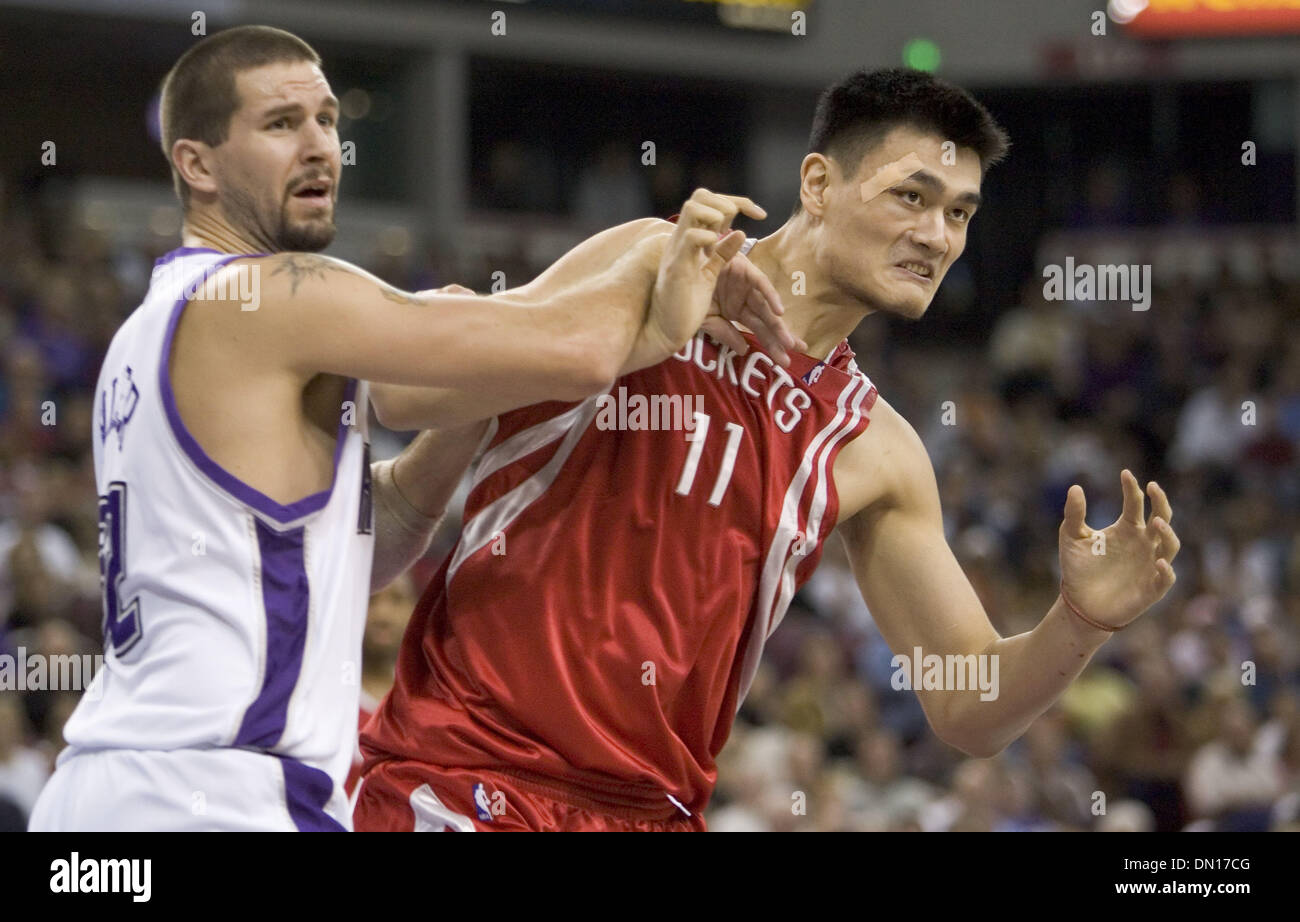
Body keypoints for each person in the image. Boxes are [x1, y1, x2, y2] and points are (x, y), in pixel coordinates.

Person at [354, 67, 1183, 832]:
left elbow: (967, 705)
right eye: (912, 196)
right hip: (464, 772)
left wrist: (1078, 623)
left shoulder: (877, 449)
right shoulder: (654, 259)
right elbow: (414, 395)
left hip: (653, 810)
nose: (937, 234)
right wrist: (642, 328)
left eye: (960, 213)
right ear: (819, 183)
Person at [28, 25, 791, 832]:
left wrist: (476, 403)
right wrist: (656, 252)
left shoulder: (146, 335)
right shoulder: (277, 295)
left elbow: (361, 543)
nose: (321, 146)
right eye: (282, 124)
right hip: (214, 797)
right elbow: (575, 353)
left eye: (328, 119)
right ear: (196, 164)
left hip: (104, 802)